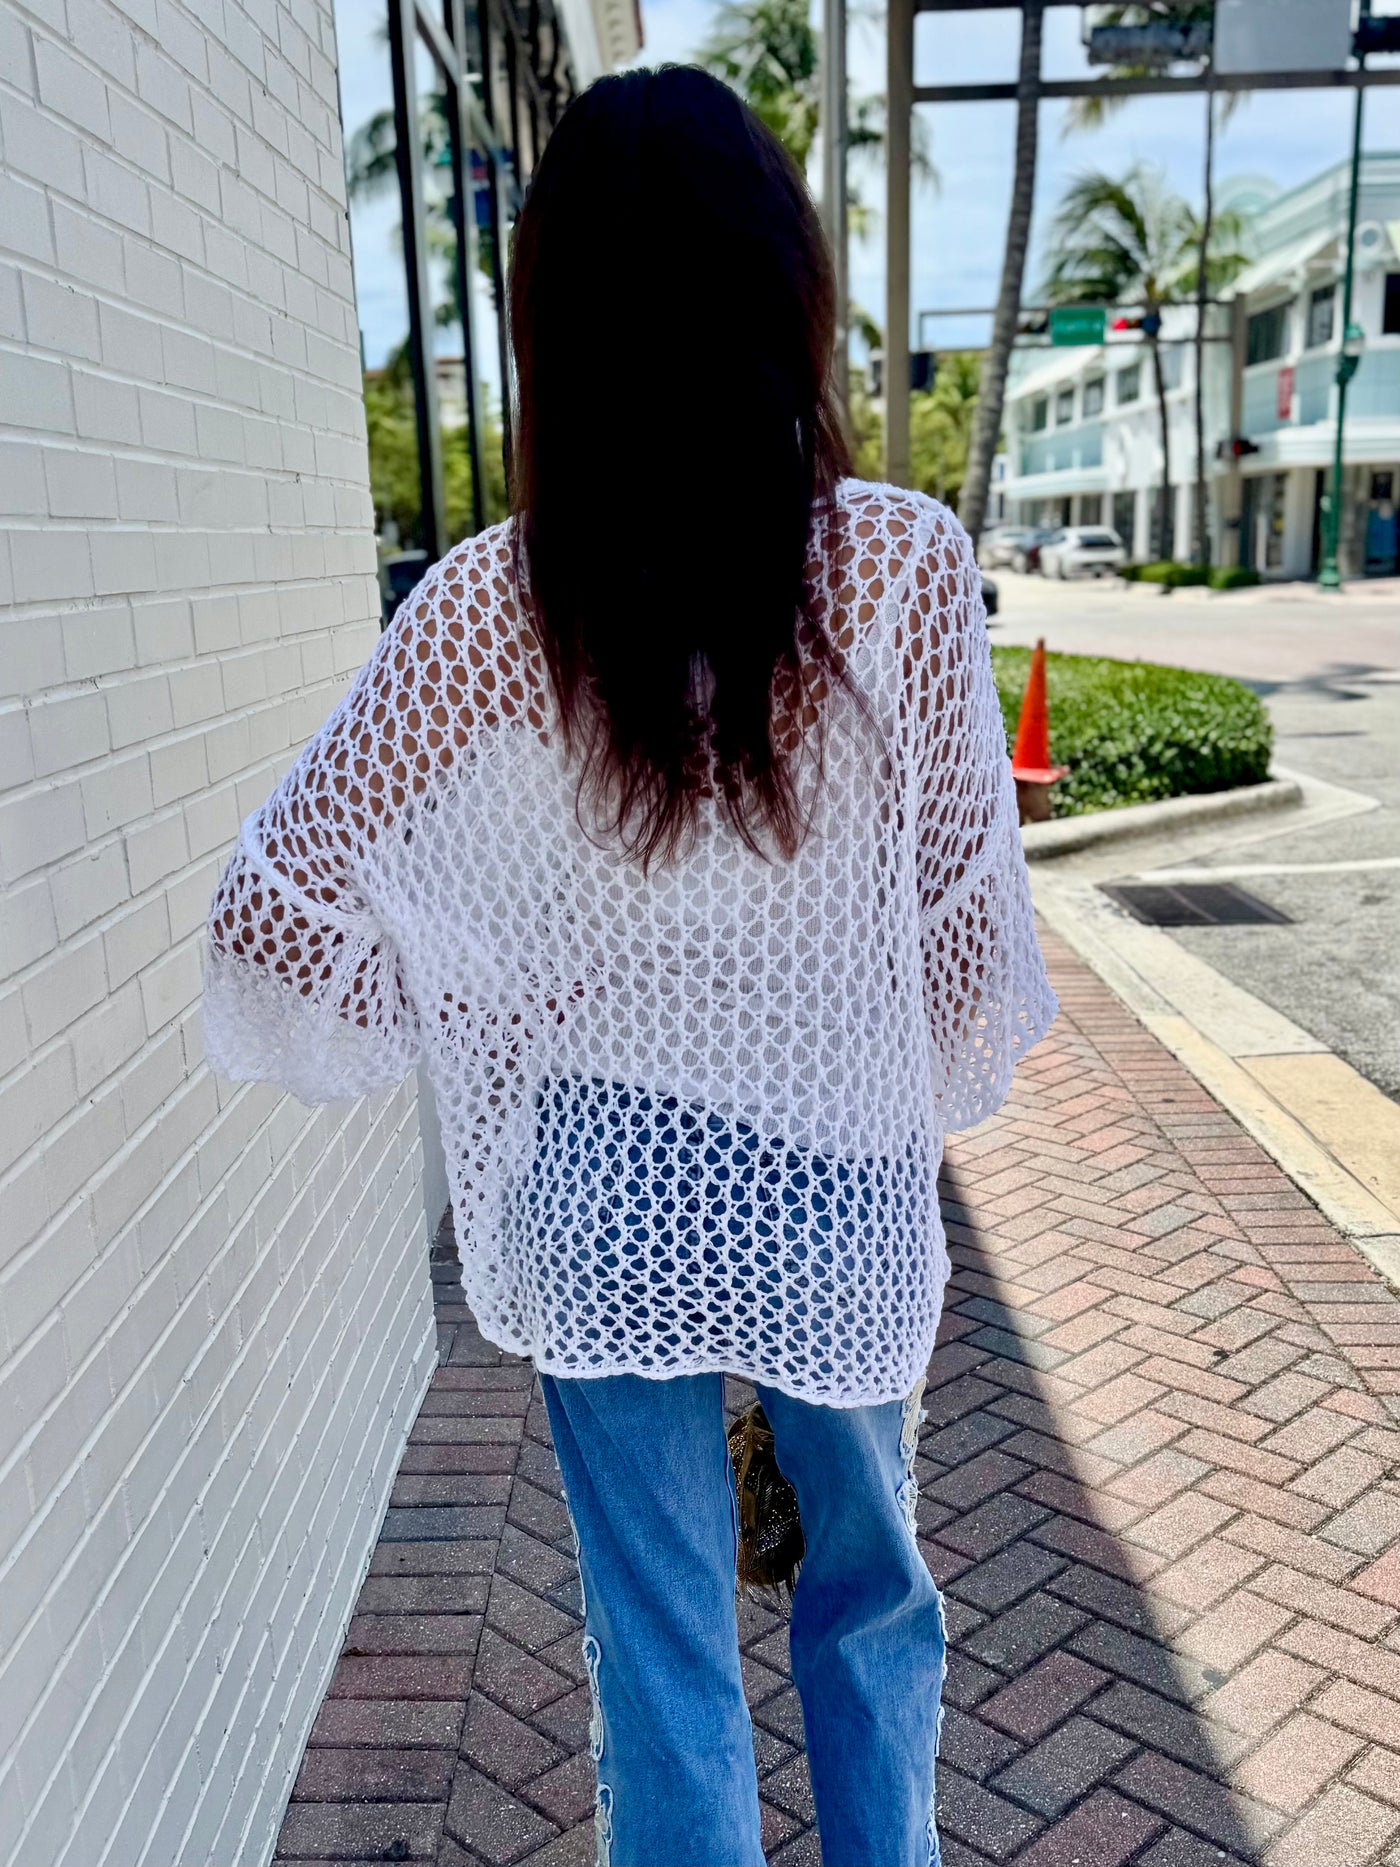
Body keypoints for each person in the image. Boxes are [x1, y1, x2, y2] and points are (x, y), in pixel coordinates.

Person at [203, 64, 1056, 1867]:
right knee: (875, 1593)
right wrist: (872, 1067)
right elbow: (969, 955)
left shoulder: (498, 604)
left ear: (554, 326)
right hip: (834, 1166)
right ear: (783, 290)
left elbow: (275, 917)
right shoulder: (897, 570)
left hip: (599, 1176)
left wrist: (480, 991)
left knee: (661, 1641)